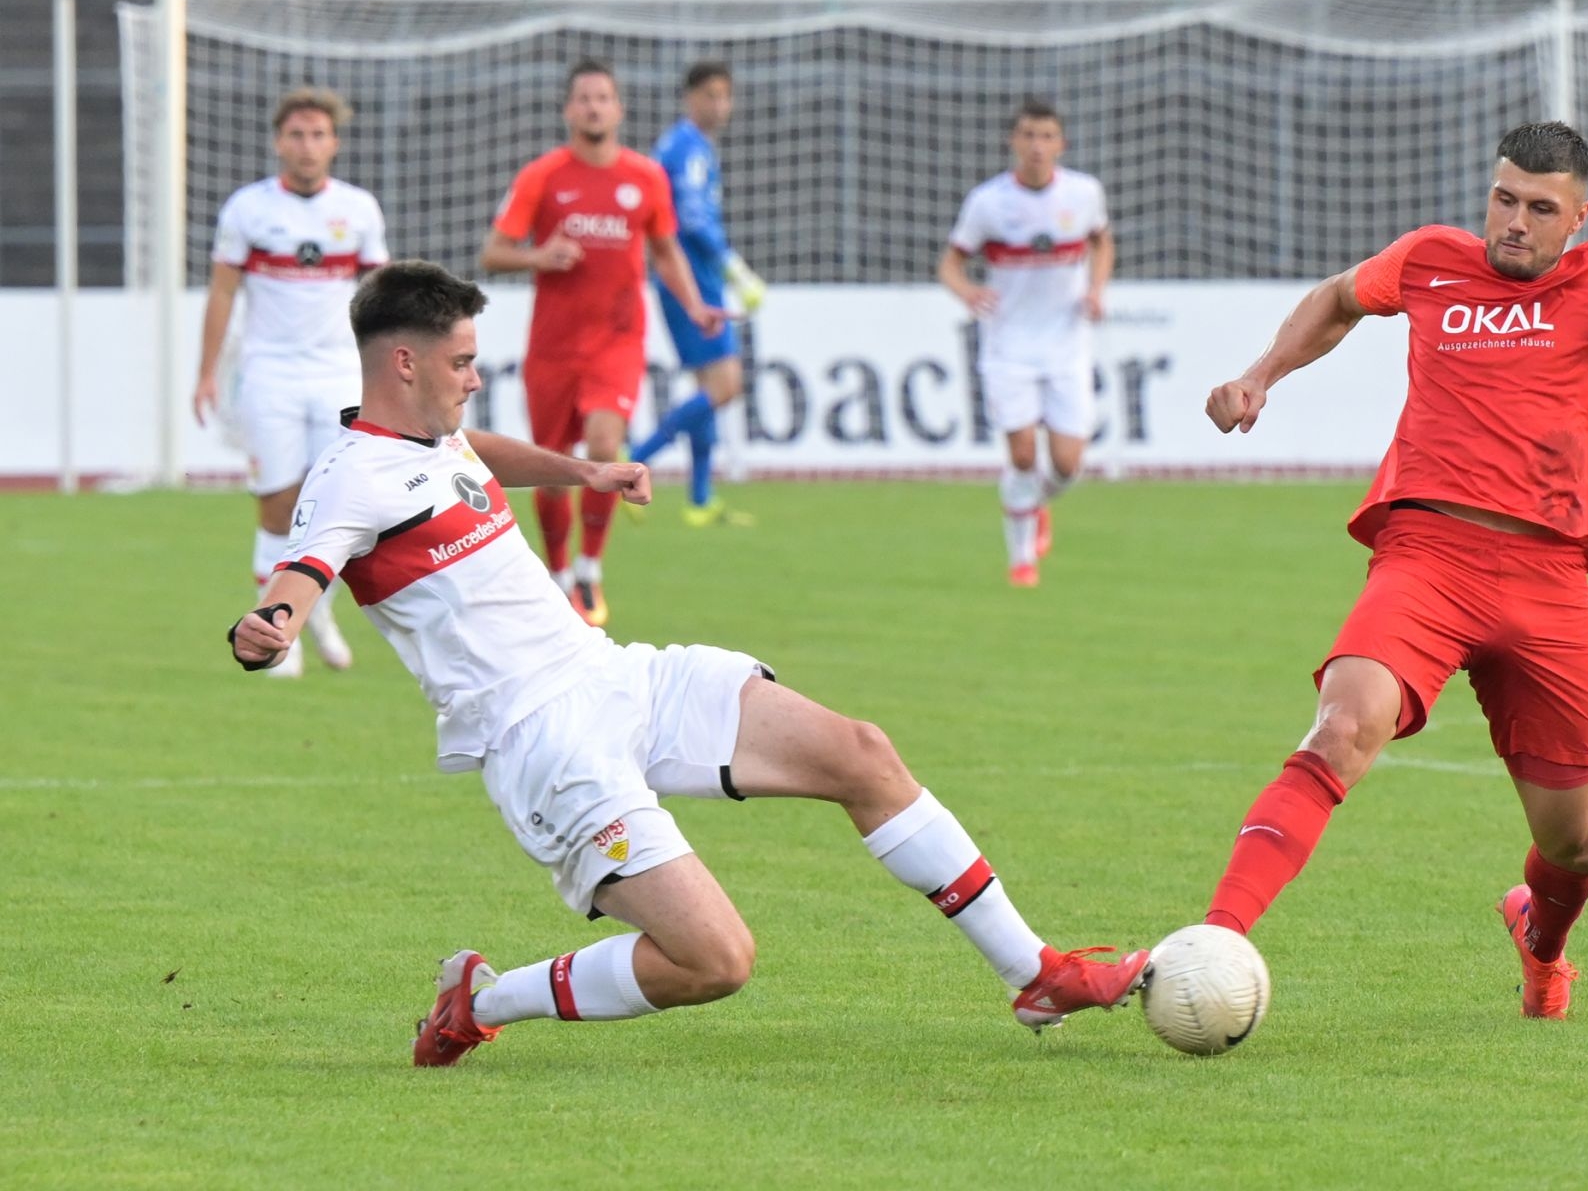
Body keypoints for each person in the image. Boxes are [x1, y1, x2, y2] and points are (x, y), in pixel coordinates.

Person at [228, 260, 1148, 1066]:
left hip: (615, 675)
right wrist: (269, 626)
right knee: (715, 962)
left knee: (862, 754)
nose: (475, 378)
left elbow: (473, 457)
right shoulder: (348, 479)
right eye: (462, 362)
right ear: (404, 362)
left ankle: (1036, 975)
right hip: (543, 740)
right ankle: (482, 1000)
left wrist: (584, 472)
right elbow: (302, 573)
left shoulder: (434, 432)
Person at [1196, 115, 1588, 1019]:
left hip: (1549, 580)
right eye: (1504, 199)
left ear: (1578, 218)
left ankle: (1542, 944)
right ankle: (1216, 941)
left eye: (1539, 209)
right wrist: (1260, 375)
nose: (1514, 221)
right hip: (1427, 557)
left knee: (1575, 845)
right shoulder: (1429, 259)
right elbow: (1336, 299)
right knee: (1341, 727)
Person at [480, 58, 723, 628]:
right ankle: (560, 574)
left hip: (617, 341)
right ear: (569, 110)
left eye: (603, 98)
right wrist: (540, 256)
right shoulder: (542, 176)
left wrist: (693, 305)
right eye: (584, 98)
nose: (594, 107)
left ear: (619, 109)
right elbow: (493, 252)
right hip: (552, 347)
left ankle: (589, 568)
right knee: (550, 471)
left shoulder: (645, 177)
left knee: (603, 445)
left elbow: (666, 251)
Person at [193, 86, 389, 677]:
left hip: (338, 375)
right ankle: (279, 635)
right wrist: (206, 374)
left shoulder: (358, 210)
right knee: (278, 505)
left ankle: (314, 612)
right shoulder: (248, 210)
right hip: (270, 375)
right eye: (297, 135)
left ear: (335, 143)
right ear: (279, 142)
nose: (307, 146)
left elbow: (381, 302)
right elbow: (223, 293)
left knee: (335, 505)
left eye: (318, 134)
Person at [939, 100, 1113, 587]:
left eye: (1047, 136)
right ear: (1014, 142)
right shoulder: (988, 203)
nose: (1037, 146)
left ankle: (1033, 503)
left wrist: (1097, 289)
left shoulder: (1083, 194)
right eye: (1029, 136)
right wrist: (966, 291)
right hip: (1008, 345)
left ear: (1061, 144)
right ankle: (1021, 561)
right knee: (1020, 456)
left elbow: (1102, 241)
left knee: (1067, 465)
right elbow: (950, 263)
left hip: (1066, 344)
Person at [629, 60, 766, 527]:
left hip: (690, 277)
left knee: (710, 388)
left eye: (725, 95)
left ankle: (701, 499)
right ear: (689, 97)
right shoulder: (687, 148)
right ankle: (634, 460)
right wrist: (734, 267)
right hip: (690, 280)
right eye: (711, 95)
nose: (720, 105)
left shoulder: (690, 146)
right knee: (726, 386)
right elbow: (691, 218)